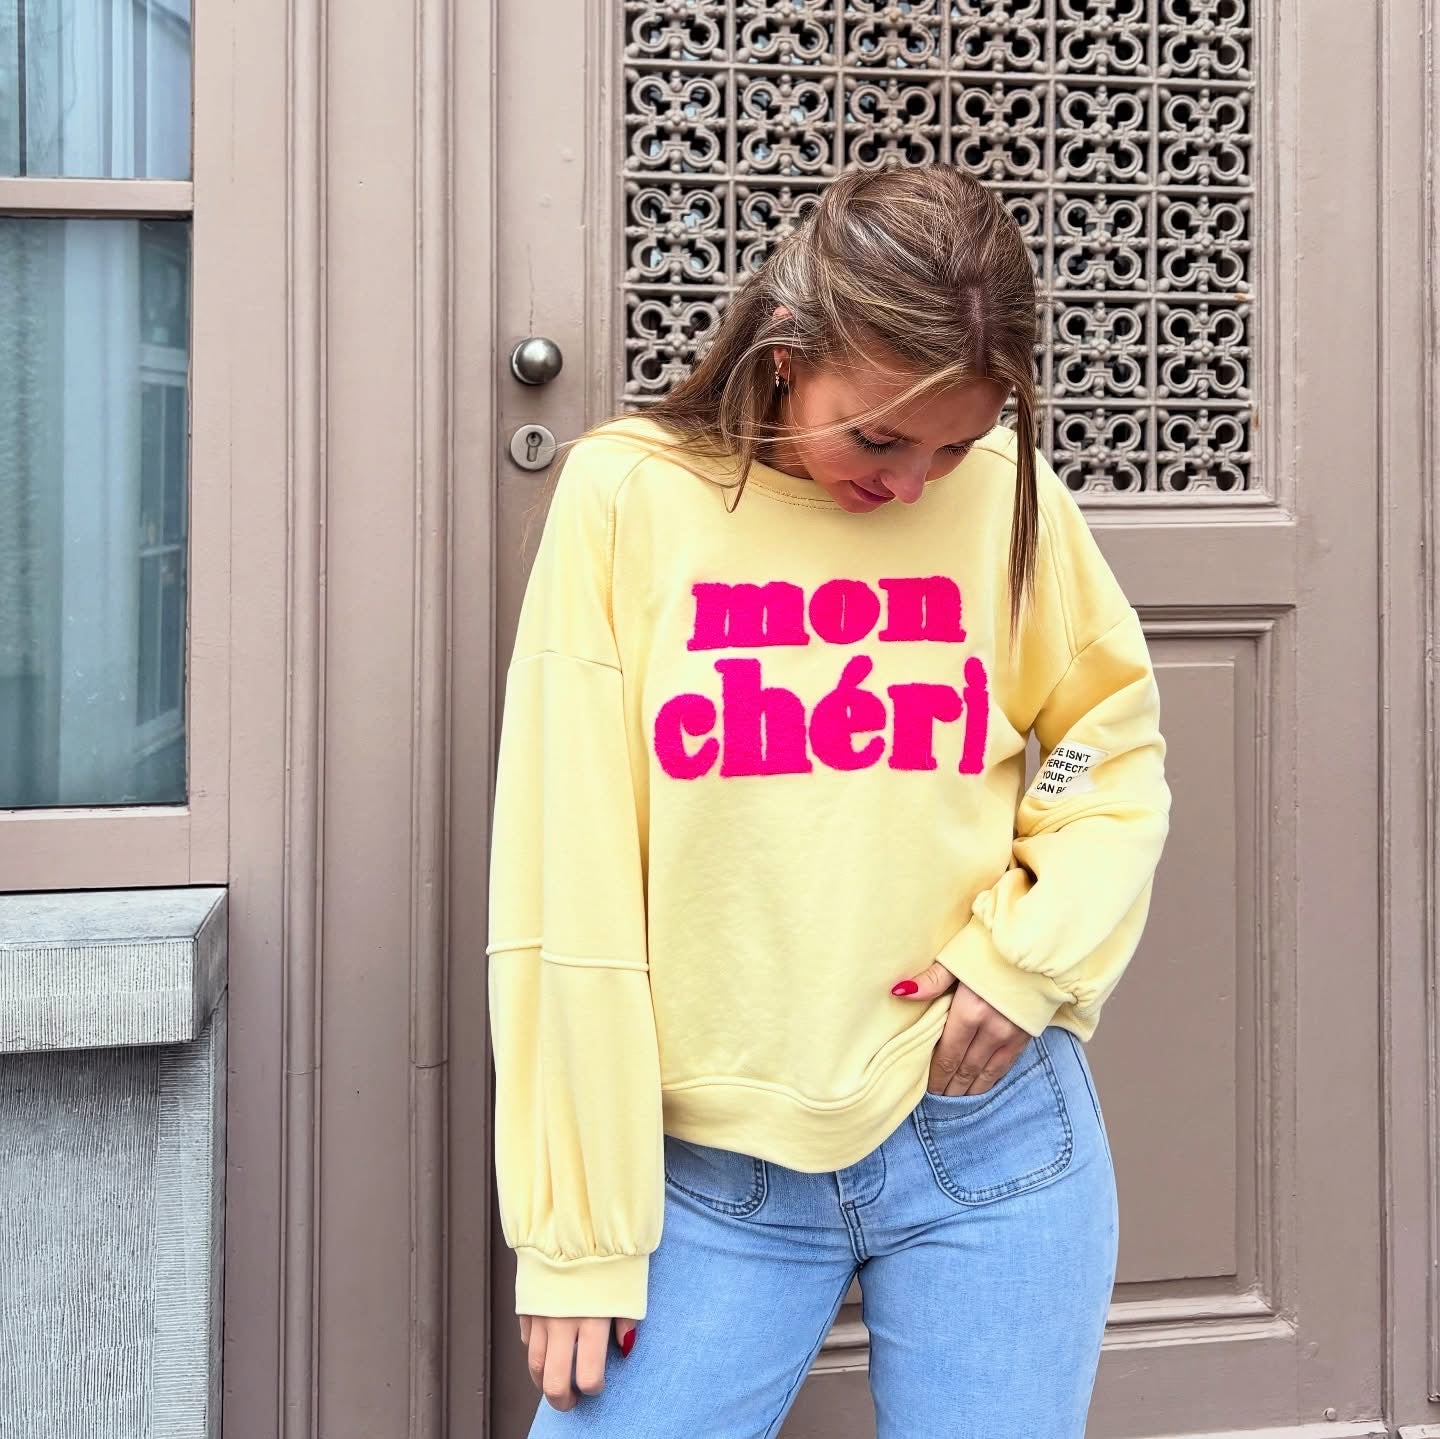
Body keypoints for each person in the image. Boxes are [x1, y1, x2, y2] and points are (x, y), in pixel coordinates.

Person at [486, 162, 1171, 1438]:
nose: (915, 484)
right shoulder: (630, 496)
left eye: (954, 445)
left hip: (988, 1134)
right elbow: (561, 870)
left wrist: (1029, 955)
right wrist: (577, 1233)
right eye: (880, 438)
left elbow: (1103, 744)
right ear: (787, 354)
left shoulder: (1006, 495)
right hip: (712, 1176)